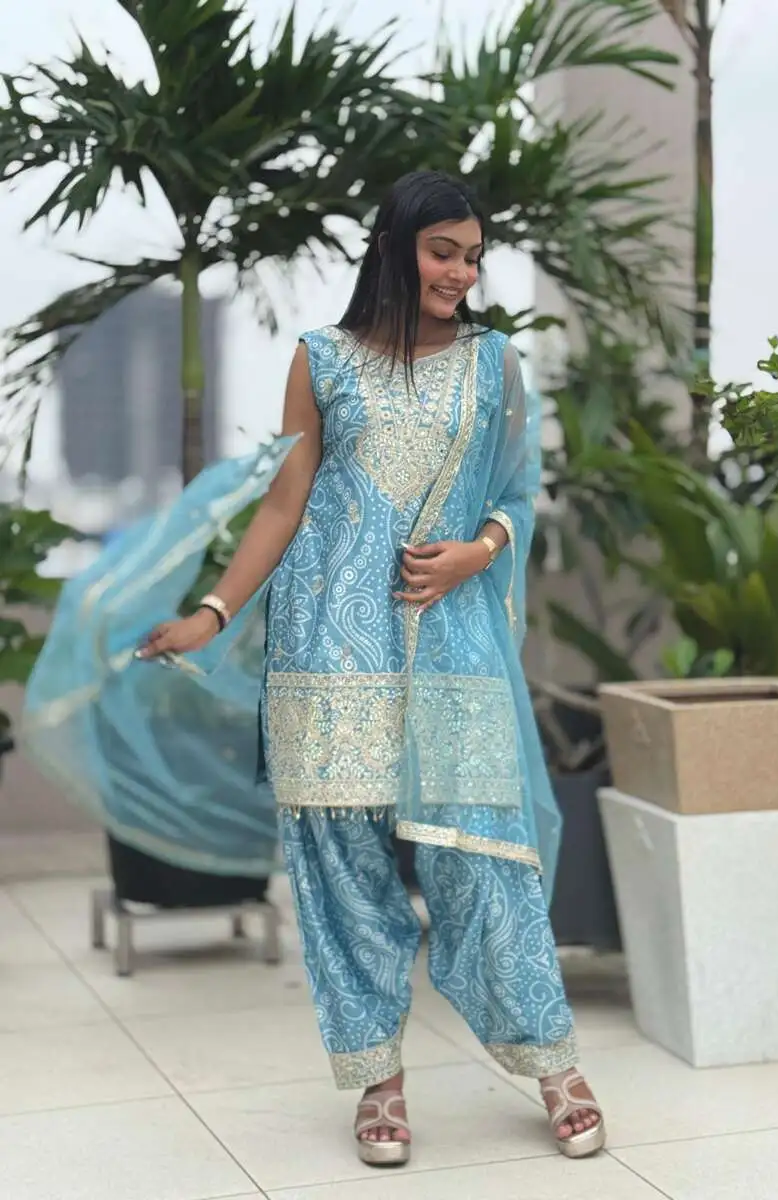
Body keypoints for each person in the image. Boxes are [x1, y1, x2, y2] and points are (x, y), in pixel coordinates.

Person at [132, 170, 604, 1164]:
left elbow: (516, 490)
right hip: (326, 644)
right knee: (340, 865)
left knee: (483, 857)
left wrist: (478, 552)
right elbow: (285, 501)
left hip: (451, 641)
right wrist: (214, 613)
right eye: (444, 252)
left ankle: (552, 1061)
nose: (461, 273)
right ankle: (378, 1081)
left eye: (473, 257)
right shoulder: (322, 359)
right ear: (395, 248)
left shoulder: (494, 363)